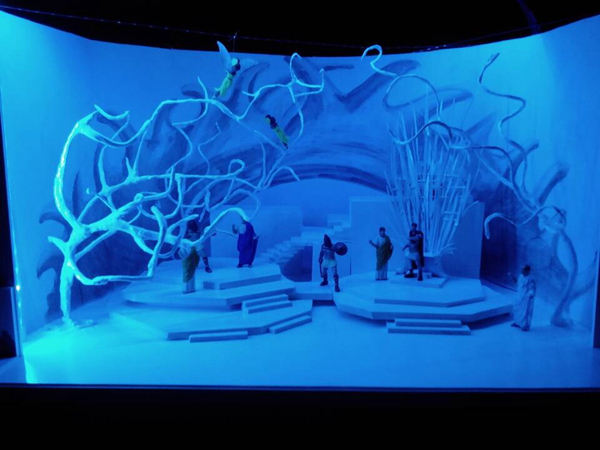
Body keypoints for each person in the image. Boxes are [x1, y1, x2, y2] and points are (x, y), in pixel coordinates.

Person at [179, 221, 212, 294]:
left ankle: (190, 288)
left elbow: (200, 249)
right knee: (187, 272)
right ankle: (187, 288)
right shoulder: (188, 237)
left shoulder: (196, 235)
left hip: (193, 253)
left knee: (191, 272)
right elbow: (183, 246)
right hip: (188, 254)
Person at [511, 264, 536, 331]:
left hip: (525, 299)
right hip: (519, 297)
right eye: (522, 270)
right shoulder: (521, 276)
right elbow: (518, 283)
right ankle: (517, 323)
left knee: (524, 312)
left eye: (523, 270)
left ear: (528, 271)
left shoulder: (530, 279)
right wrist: (513, 277)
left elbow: (532, 289)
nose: (522, 271)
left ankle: (525, 326)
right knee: (517, 309)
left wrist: (530, 295)